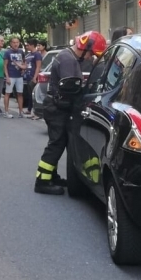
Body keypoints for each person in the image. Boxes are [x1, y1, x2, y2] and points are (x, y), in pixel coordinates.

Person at [33, 30, 108, 195]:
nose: (90, 58)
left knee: (59, 142)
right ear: (85, 48)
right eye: (91, 54)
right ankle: (42, 181)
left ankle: (51, 175)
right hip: (57, 108)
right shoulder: (68, 60)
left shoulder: (68, 57)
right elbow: (70, 89)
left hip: (56, 106)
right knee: (57, 143)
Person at [3, 36, 28, 118]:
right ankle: (6, 112)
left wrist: (23, 69)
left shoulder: (21, 51)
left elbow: (24, 62)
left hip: (19, 76)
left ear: (19, 43)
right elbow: (5, 65)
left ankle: (21, 112)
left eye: (17, 42)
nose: (15, 44)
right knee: (8, 93)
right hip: (11, 75)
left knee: (20, 93)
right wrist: (7, 76)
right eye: (13, 42)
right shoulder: (7, 52)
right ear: (11, 43)